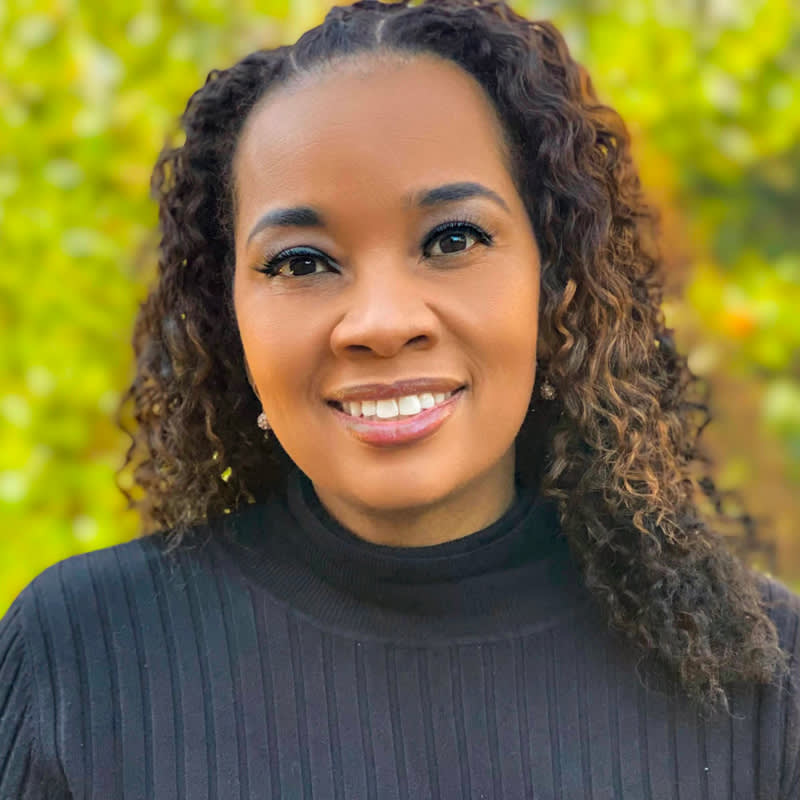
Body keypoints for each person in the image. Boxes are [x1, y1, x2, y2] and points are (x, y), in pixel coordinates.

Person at [1, 0, 798, 797]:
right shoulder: (78, 663)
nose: (382, 323)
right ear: (230, 314)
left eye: (453, 240)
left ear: (554, 286)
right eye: (302, 262)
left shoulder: (765, 683)